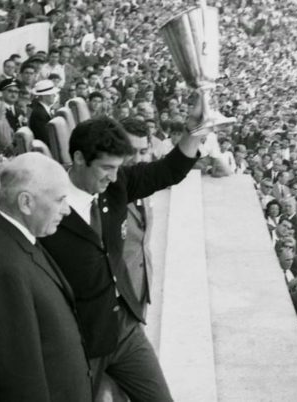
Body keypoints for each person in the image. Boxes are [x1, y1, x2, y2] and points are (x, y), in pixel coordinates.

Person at [39, 108, 203, 400]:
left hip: (125, 328)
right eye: (106, 168)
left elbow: (169, 170)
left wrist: (193, 131)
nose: (114, 177)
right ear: (78, 158)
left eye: (118, 167)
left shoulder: (117, 184)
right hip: (79, 340)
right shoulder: (45, 205)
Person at [0, 152, 92, 402]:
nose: (67, 210)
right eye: (60, 200)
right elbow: (18, 377)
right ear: (26, 202)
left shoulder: (16, 238)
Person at [120, 117, 155, 318]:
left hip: (142, 283)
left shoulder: (143, 183)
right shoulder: (102, 189)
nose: (137, 159)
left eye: (143, 152)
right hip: (117, 295)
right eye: (130, 152)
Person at [28, 79, 58, 144]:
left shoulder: (43, 110)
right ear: (44, 96)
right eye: (52, 93)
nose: (54, 95)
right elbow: (45, 138)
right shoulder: (39, 114)